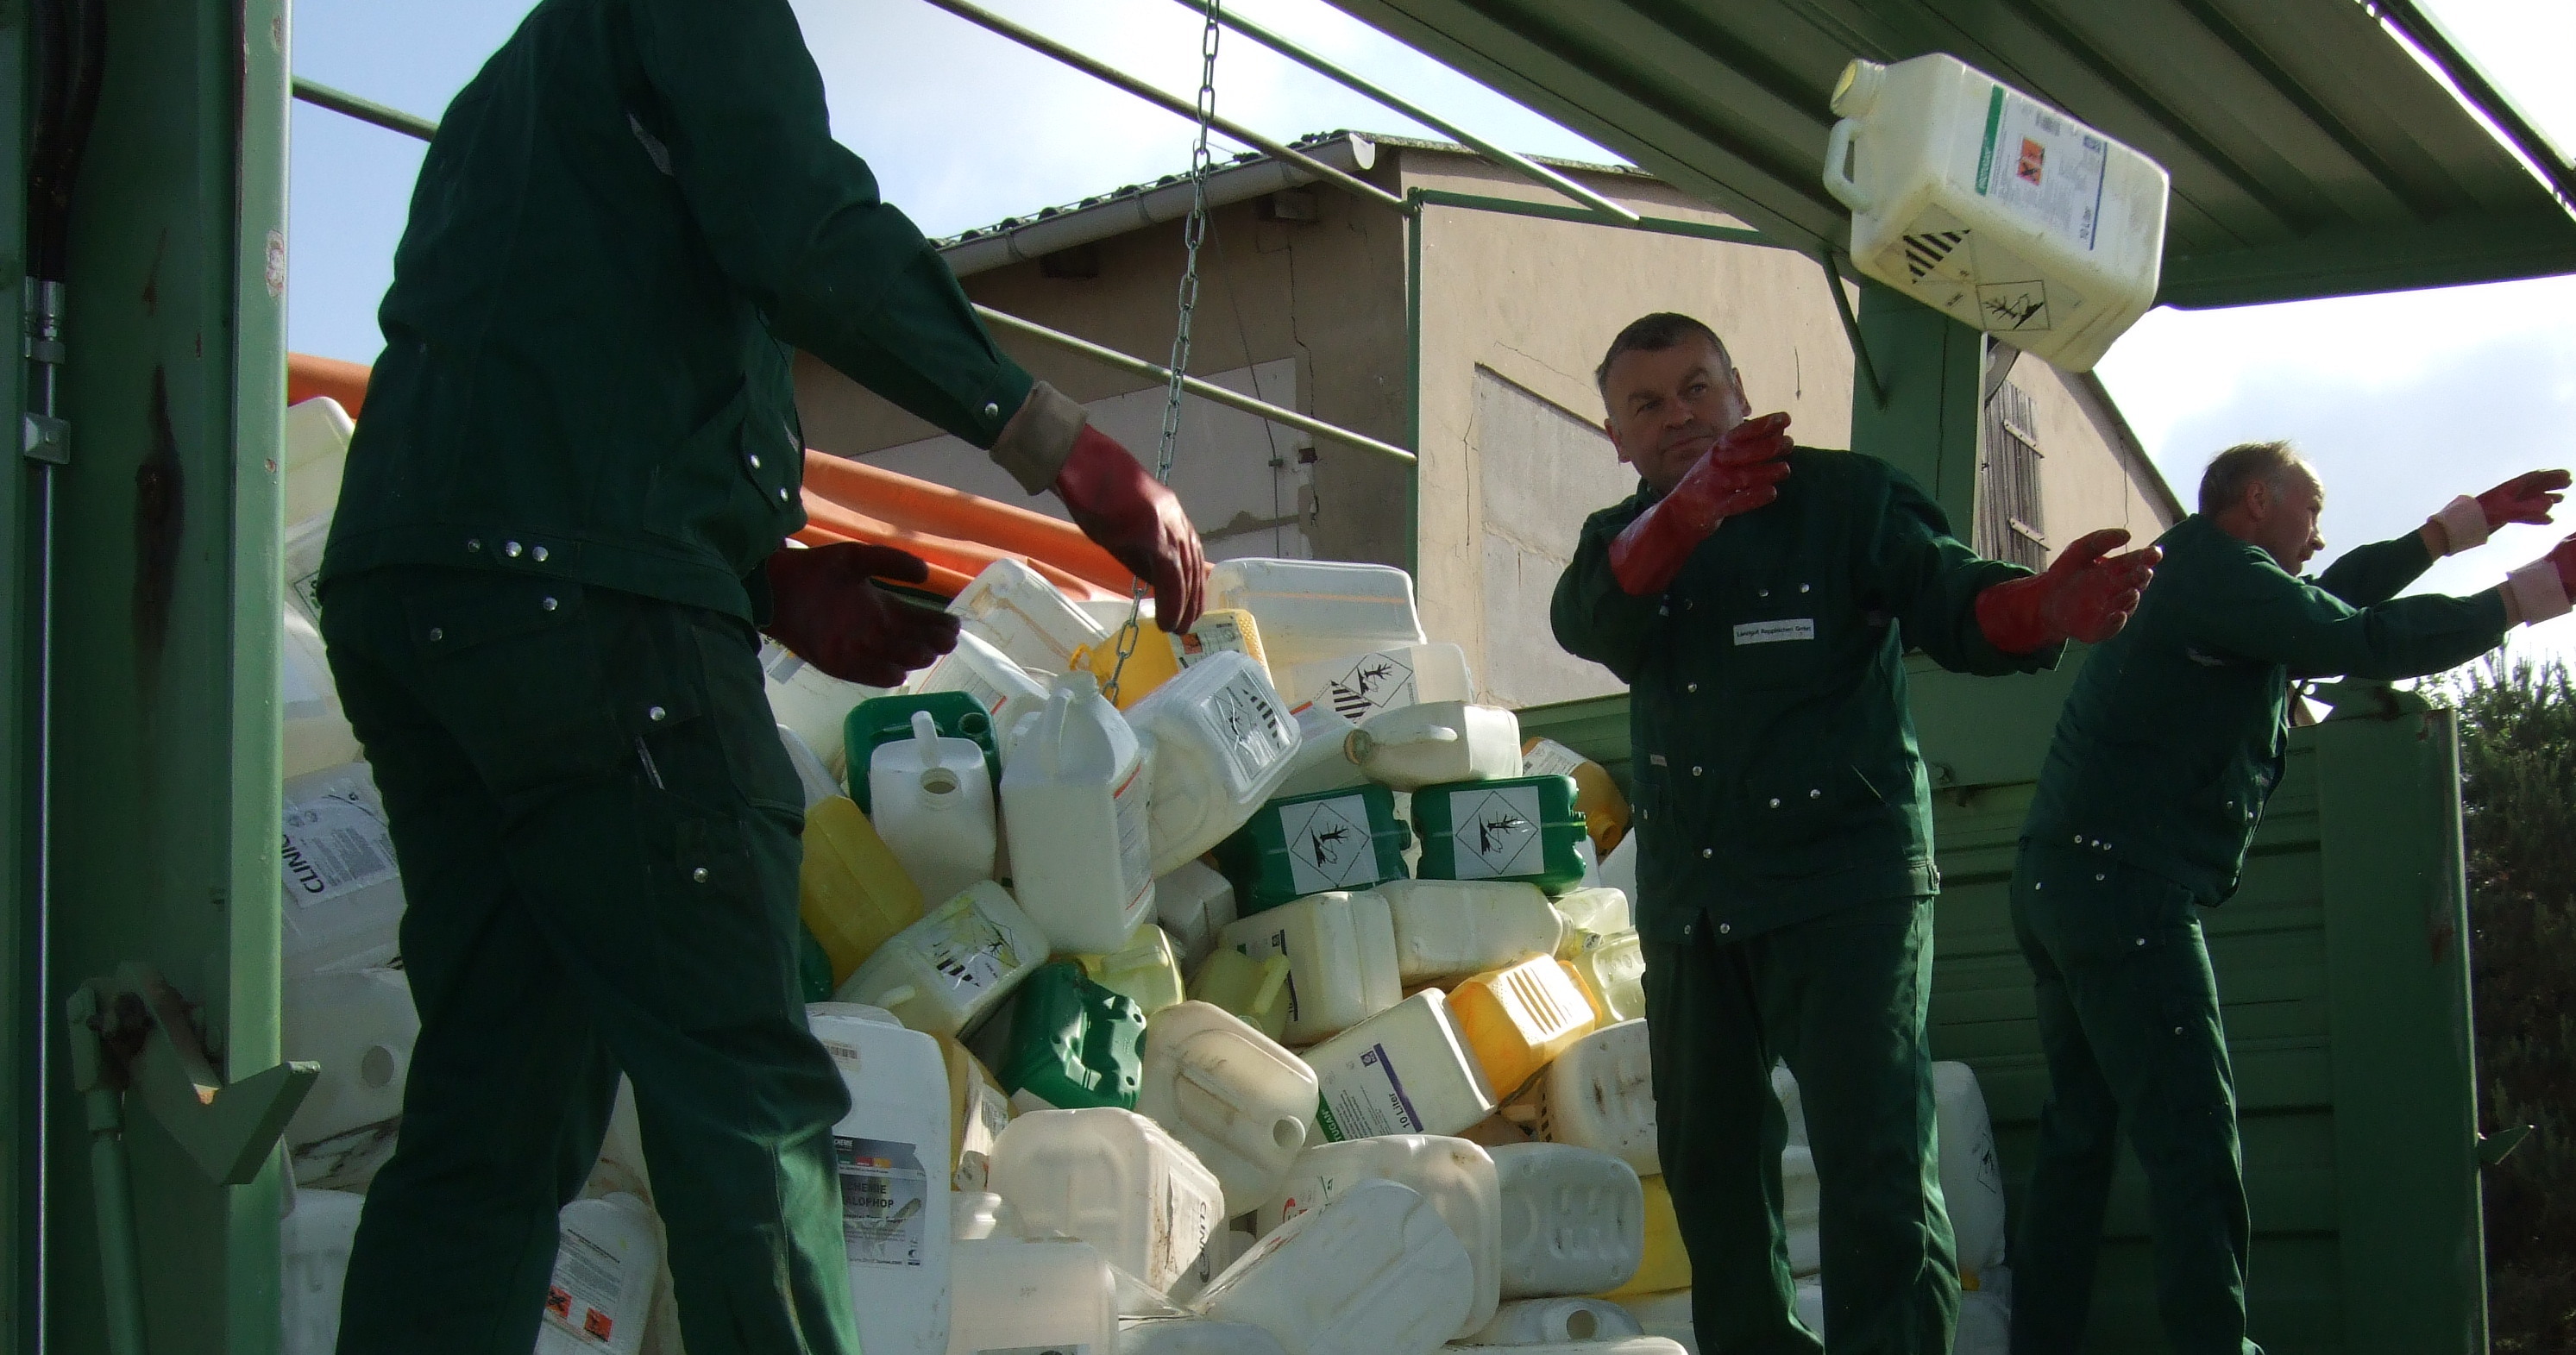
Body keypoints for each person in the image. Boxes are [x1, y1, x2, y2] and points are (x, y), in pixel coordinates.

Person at [313, 2, 1207, 1352]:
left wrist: (767, 579)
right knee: (745, 1094)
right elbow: (800, 226)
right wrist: (1061, 445)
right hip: (591, 612)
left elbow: (564, 391)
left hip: (424, 603)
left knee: (493, 1105)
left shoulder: (522, 89)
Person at [1550, 311, 2160, 1354]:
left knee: (1873, 1160)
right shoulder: (1620, 543)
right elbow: (1588, 622)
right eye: (1644, 404)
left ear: (1740, 390)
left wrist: (2043, 607)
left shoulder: (1847, 501)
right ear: (1613, 435)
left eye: (1697, 387)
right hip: (1696, 898)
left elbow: (1959, 603)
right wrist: (1687, 516)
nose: (1677, 416)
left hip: (1847, 885)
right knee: (1712, 1167)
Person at [2007, 443, 2573, 1355]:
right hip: (2126, 891)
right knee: (2193, 1147)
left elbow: (2337, 591)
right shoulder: (2218, 574)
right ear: (2259, 501)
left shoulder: (2207, 575)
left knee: (2081, 1141)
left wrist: (2457, 528)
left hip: (2059, 882)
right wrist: (2529, 593)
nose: (2318, 533)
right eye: (2310, 510)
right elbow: (2362, 638)